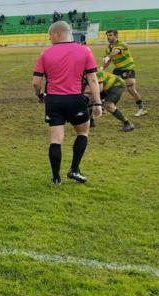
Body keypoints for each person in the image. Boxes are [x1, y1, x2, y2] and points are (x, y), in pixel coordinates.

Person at [32, 21, 102, 185]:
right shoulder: (84, 51)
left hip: (53, 100)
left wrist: (40, 96)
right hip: (75, 99)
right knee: (82, 133)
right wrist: (98, 103)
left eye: (50, 35)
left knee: (55, 139)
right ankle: (74, 169)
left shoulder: (45, 54)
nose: (49, 38)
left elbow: (36, 82)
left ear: (57, 33)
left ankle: (56, 178)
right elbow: (92, 79)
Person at [102, 29, 147, 117]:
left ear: (116, 36)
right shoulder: (108, 49)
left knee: (131, 89)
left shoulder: (122, 44)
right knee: (108, 87)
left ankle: (142, 109)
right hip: (118, 70)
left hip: (128, 69)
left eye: (110, 35)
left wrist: (108, 56)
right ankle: (105, 107)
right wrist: (102, 68)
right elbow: (108, 61)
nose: (108, 37)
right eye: (107, 35)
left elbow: (116, 51)